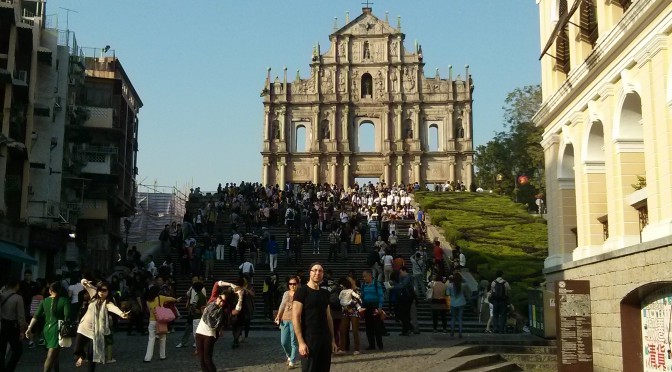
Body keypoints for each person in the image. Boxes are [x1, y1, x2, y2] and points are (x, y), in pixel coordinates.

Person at [74, 279, 129, 370]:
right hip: (83, 327)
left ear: (108, 292)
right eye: (100, 290)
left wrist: (122, 314)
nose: (101, 292)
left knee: (92, 355)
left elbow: (114, 308)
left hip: (95, 332)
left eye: (104, 291)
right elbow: (83, 283)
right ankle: (82, 356)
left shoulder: (108, 303)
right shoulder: (94, 295)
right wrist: (84, 281)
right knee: (76, 349)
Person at [292, 262, 338, 372]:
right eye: (315, 270)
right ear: (310, 273)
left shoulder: (325, 293)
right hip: (309, 338)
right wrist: (301, 342)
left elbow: (328, 317)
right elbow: (296, 317)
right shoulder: (301, 292)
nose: (317, 273)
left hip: (325, 338)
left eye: (320, 271)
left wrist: (332, 340)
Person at [195, 280, 243, 372]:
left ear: (225, 303)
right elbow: (217, 283)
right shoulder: (212, 300)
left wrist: (240, 297)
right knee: (201, 360)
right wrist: (230, 284)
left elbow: (237, 311)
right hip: (199, 332)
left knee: (207, 359)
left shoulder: (224, 311)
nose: (220, 300)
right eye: (220, 297)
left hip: (209, 335)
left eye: (223, 300)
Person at [26, 281, 70, 372]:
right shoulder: (64, 301)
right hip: (57, 330)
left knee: (54, 355)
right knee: (51, 356)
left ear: (50, 291)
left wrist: (29, 328)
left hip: (46, 329)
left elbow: (36, 316)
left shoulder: (44, 301)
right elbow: (67, 315)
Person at [0, 280, 27, 371]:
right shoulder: (18, 298)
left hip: (2, 324)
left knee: (1, 350)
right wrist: (22, 330)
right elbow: (20, 316)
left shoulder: (1, 295)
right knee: (18, 350)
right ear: (16, 286)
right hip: (12, 326)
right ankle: (9, 368)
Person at [275, 276, 300, 369]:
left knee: (294, 342)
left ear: (298, 284)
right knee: (284, 342)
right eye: (290, 284)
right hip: (285, 319)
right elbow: (282, 305)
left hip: (295, 320)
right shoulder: (286, 293)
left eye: (294, 284)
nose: (292, 286)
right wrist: (278, 315)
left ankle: (292, 361)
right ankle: (289, 355)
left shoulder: (300, 294)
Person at [176, 279, 206, 348]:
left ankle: (197, 343)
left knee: (194, 329)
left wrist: (193, 309)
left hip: (195, 314)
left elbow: (194, 304)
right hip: (200, 314)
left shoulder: (197, 296)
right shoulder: (202, 296)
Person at [360, 270, 385, 351]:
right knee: (368, 327)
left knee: (377, 326)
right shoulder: (363, 285)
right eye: (363, 276)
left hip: (375, 307)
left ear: (370, 275)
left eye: (365, 276)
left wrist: (380, 307)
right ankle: (371, 344)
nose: (364, 278)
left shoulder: (376, 283)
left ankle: (380, 344)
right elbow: (362, 296)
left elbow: (381, 295)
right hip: (367, 307)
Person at [337, 278, 362, 356]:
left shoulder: (356, 290)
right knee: (342, 329)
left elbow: (358, 300)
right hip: (345, 311)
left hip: (354, 311)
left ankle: (357, 348)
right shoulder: (344, 291)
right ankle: (342, 348)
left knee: (355, 330)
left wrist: (349, 306)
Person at [448, 272, 466, 338]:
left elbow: (447, 293)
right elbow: (465, 280)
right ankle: (460, 332)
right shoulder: (463, 285)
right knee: (460, 318)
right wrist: (461, 277)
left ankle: (452, 332)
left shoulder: (450, 285)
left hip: (453, 302)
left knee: (453, 318)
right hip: (461, 302)